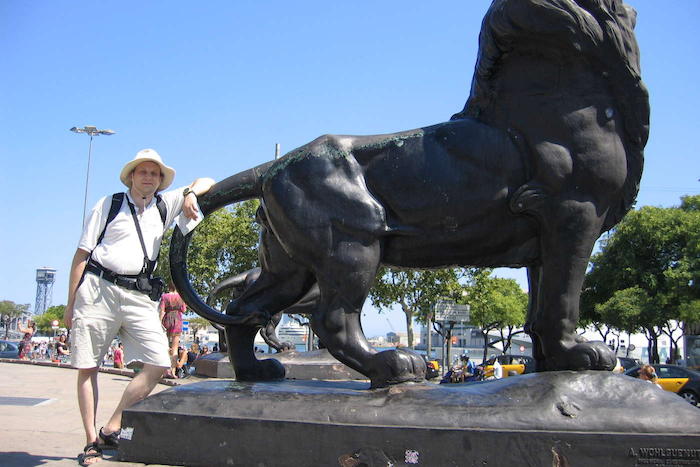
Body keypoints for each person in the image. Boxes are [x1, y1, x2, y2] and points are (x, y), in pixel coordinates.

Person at [64, 148, 214, 466]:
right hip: (99, 289)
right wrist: (70, 303)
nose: (148, 177)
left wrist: (189, 193)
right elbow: (81, 255)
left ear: (160, 180)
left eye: (154, 173)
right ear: (131, 176)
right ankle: (91, 441)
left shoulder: (164, 204)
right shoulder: (109, 204)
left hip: (138, 295)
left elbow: (208, 181)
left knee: (159, 362)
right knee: (88, 367)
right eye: (143, 171)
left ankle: (111, 426)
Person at [159, 282, 186, 378]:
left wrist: (159, 322)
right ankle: (173, 372)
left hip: (167, 320)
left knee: (165, 347)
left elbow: (162, 311)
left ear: (169, 287)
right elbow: (184, 310)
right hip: (177, 321)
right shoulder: (181, 296)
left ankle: (164, 371)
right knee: (175, 349)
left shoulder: (164, 296)